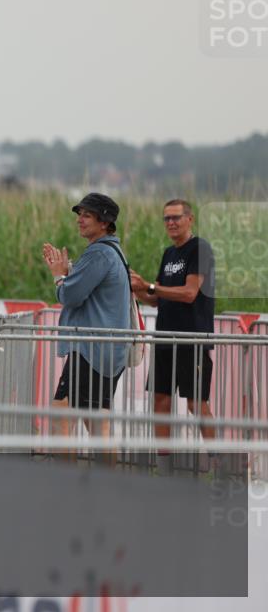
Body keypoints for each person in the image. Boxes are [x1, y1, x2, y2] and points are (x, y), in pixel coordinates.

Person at [130, 199, 216, 468]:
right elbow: (158, 300)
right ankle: (164, 467)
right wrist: (137, 288)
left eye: (176, 217)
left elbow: (190, 293)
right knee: (160, 401)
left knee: (196, 404)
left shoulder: (200, 248)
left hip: (192, 339)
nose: (171, 223)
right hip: (165, 338)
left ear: (190, 219)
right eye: (166, 218)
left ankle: (219, 464)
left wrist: (150, 286)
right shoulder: (169, 254)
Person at [42, 193, 130, 441]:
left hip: (91, 351)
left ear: (104, 222)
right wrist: (68, 269)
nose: (80, 219)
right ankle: (106, 479)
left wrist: (59, 276)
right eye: (79, 214)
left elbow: (69, 296)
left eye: (87, 215)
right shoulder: (112, 250)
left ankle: (65, 480)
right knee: (96, 424)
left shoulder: (99, 253)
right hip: (105, 350)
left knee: (62, 415)